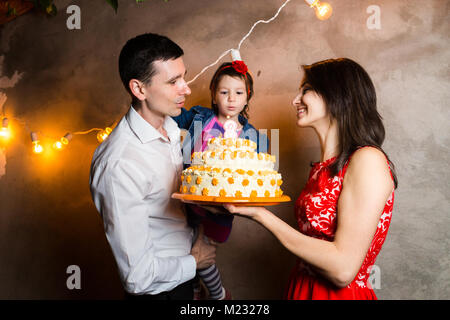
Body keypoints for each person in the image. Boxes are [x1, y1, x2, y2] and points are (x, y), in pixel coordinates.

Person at [225, 58, 398, 300]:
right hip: (301, 289)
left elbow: (343, 269)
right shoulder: (323, 168)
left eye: (306, 90)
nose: (295, 100)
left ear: (337, 95)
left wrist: (260, 214)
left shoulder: (367, 159)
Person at [89, 33, 216, 300]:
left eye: (184, 76)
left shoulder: (171, 127)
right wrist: (195, 262)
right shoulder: (119, 163)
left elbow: (169, 208)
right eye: (173, 82)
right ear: (139, 89)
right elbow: (138, 277)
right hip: (158, 294)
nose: (187, 89)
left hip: (185, 281)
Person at [172, 59, 268, 300]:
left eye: (238, 93)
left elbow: (255, 172)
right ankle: (194, 290)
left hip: (218, 209)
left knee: (200, 252)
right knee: (184, 248)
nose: (231, 99)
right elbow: (172, 118)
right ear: (214, 96)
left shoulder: (251, 136)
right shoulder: (198, 117)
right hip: (190, 197)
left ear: (248, 97)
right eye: (224, 92)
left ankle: (218, 294)